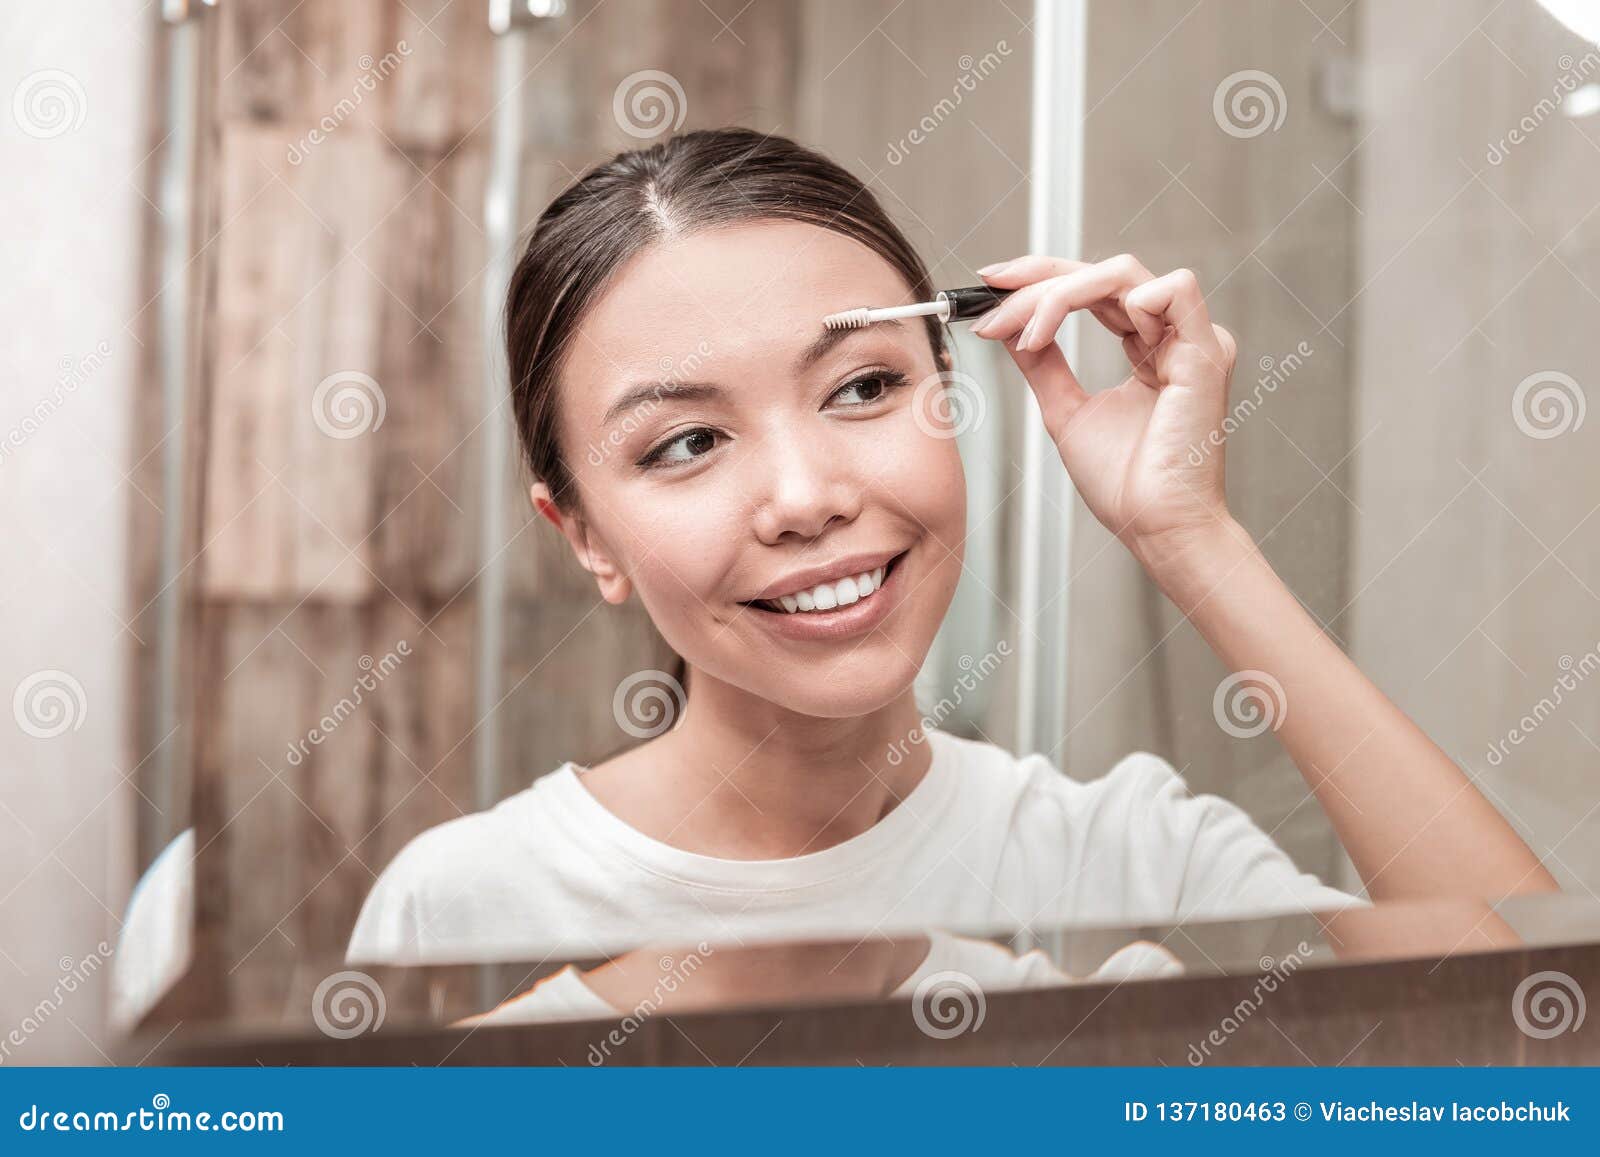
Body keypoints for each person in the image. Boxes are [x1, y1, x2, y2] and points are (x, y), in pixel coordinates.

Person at [347, 128, 1555, 966]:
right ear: (586, 537)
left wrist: (1191, 536)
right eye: (685, 443)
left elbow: (1552, 1046)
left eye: (864, 386)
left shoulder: (1120, 854)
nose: (806, 494)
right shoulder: (465, 907)